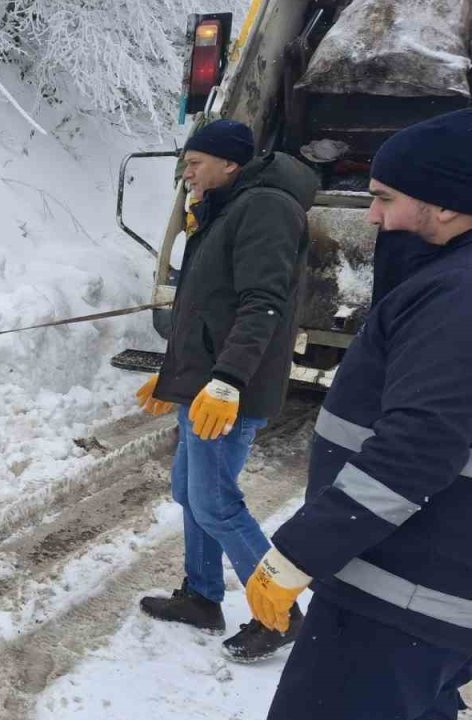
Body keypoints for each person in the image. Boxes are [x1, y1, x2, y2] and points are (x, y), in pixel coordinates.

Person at [248, 109, 472, 720]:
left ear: (447, 204)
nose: (372, 216)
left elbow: (420, 445)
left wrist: (301, 552)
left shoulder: (457, 294)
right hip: (435, 600)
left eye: (384, 198)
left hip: (397, 608)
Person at [135, 118, 319, 661]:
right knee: (191, 492)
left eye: (194, 163)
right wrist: (175, 375)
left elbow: (263, 303)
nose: (186, 173)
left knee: (215, 502)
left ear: (229, 164)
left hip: (229, 391)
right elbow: (204, 308)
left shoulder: (265, 208)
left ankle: (280, 613)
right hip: (206, 384)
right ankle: (201, 597)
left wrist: (227, 379)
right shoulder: (225, 209)